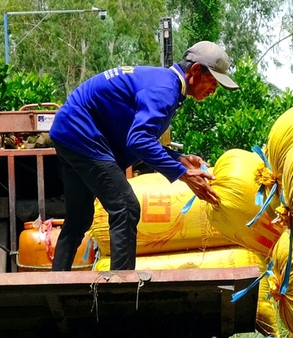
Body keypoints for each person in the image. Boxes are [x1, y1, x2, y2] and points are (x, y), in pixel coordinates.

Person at [48, 40, 237, 272]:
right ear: (196, 70)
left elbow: (138, 138)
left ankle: (56, 280)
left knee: (79, 218)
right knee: (126, 207)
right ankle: (122, 288)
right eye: (213, 81)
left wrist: (179, 159)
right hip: (82, 133)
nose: (214, 90)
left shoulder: (164, 83)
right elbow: (138, 140)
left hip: (69, 131)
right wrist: (185, 174)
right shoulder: (165, 90)